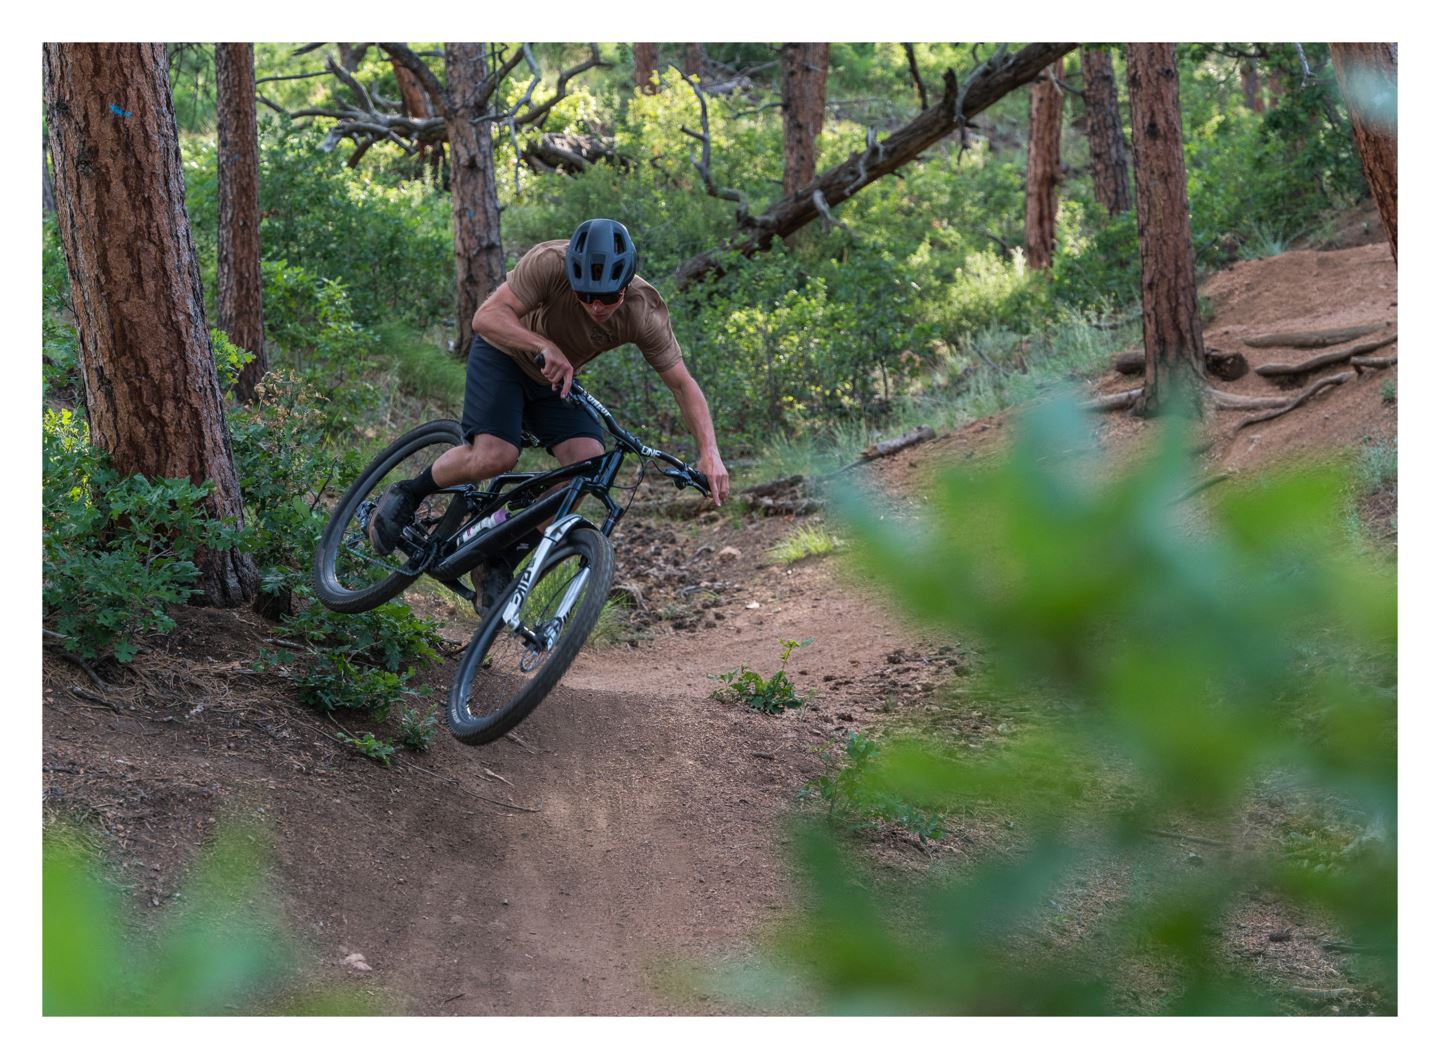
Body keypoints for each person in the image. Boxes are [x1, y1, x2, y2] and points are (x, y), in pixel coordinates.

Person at [367, 218, 730, 607]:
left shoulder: (644, 311)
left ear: (626, 286)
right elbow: (486, 318)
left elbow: (682, 384)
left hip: (554, 380)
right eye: (586, 295)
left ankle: (498, 558)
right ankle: (407, 493)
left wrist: (710, 453)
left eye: (609, 298)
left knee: (587, 465)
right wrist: (541, 344)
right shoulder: (547, 262)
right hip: (504, 353)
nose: (597, 306)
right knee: (497, 455)